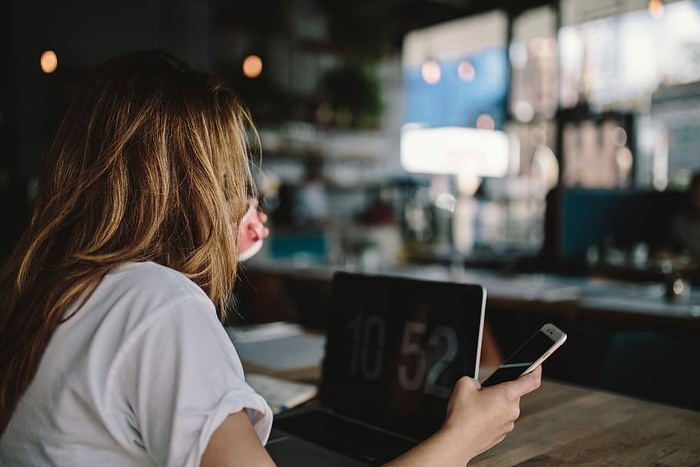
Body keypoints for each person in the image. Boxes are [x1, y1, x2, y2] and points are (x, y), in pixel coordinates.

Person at [0, 50, 541, 466]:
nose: (244, 194)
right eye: (234, 176)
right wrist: (463, 438)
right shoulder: (156, 304)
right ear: (200, 190)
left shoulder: (42, 290)